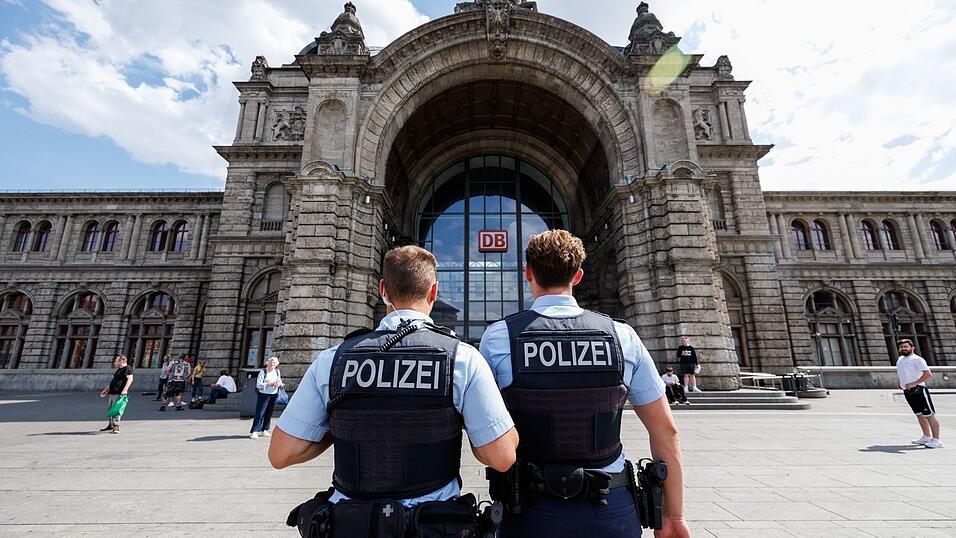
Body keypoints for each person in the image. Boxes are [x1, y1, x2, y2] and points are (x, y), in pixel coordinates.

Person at [269, 245, 518, 537]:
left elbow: (281, 454)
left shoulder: (333, 359)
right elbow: (502, 457)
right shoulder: (461, 357)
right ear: (434, 292)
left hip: (349, 525)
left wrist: (338, 425)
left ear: (383, 290)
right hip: (433, 526)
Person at [480, 230, 690, 538]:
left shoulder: (499, 337)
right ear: (577, 276)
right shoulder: (621, 335)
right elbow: (665, 430)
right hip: (610, 507)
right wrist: (673, 514)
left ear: (528, 273)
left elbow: (487, 434)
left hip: (529, 510)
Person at [897, 339, 943, 449]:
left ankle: (936, 440)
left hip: (919, 390)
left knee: (929, 415)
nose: (903, 349)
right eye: (901, 347)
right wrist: (900, 382)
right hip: (907, 390)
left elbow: (928, 374)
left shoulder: (917, 359)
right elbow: (902, 372)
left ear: (912, 348)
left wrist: (915, 383)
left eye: (905, 347)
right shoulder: (900, 359)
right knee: (919, 414)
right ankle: (926, 436)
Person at [250, 357, 283, 439]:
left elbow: (280, 382)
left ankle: (265, 429)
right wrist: (269, 384)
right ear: (267, 363)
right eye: (271, 363)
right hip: (264, 395)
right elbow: (259, 385)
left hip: (273, 394)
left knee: (269, 413)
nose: (272, 365)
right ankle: (255, 431)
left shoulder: (277, 372)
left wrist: (279, 384)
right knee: (260, 412)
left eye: (274, 363)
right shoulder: (263, 372)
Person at [99, 355, 133, 434]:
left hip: (119, 392)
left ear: (121, 361)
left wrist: (125, 390)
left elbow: (130, 379)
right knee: (110, 409)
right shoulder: (119, 369)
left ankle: (116, 427)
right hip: (112, 391)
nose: (115, 363)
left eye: (116, 361)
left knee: (116, 410)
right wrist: (106, 389)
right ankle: (111, 425)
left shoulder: (127, 368)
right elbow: (114, 380)